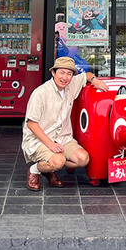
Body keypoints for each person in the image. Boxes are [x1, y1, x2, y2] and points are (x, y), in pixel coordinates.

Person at [22, 56, 110, 191]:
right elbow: (31, 124)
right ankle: (35, 170)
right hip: (39, 140)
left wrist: (94, 80)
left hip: (63, 138)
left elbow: (87, 75)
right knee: (59, 160)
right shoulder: (40, 93)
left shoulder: (71, 85)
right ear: (53, 73)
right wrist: (50, 144)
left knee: (83, 159)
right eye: (61, 72)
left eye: (69, 73)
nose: (65, 77)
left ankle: (50, 166)